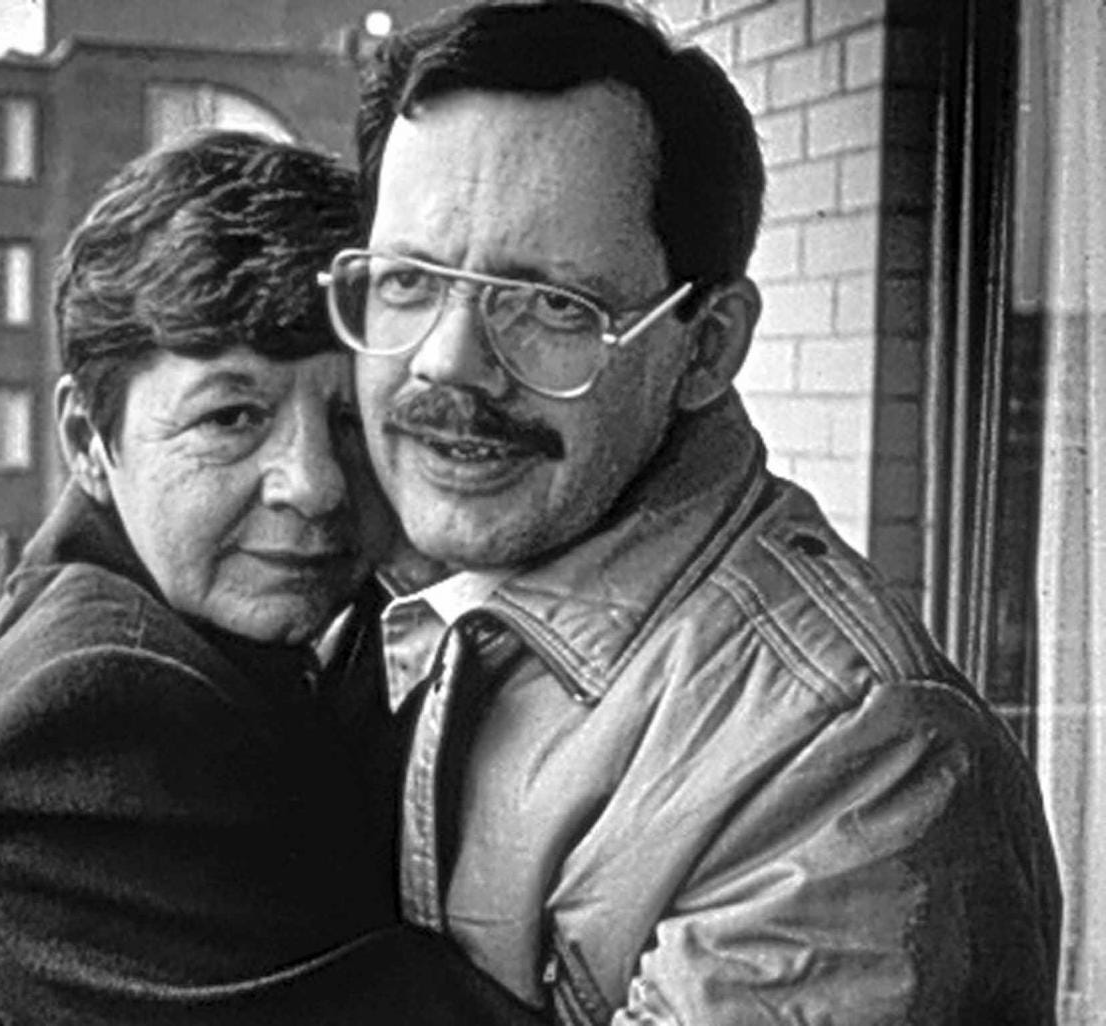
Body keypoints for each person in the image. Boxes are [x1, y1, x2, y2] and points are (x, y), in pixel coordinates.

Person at [316, 2, 1063, 1022]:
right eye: (408, 280)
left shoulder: (852, 763)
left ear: (706, 348)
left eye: (550, 305)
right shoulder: (343, 558)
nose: (449, 362)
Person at [0, 130, 544, 1025]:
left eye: (351, 418)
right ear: (86, 442)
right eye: (231, 417)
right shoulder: (87, 716)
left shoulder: (224, 617)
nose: (314, 483)